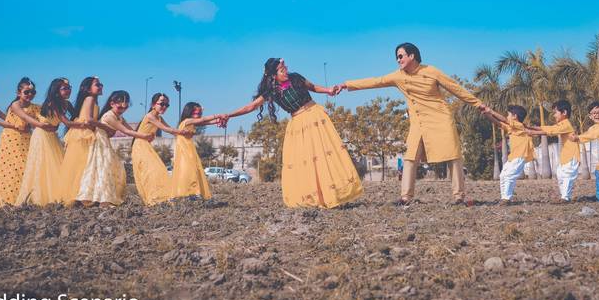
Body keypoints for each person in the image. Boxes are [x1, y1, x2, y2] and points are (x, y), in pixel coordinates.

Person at [334, 43, 488, 206]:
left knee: (453, 155)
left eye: (400, 56)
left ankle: (459, 196)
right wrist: (346, 84)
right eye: (397, 57)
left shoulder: (431, 71)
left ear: (412, 56)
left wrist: (478, 104)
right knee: (410, 156)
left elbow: (455, 88)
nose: (398, 60)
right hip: (418, 123)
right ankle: (405, 197)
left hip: (441, 119)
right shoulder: (398, 76)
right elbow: (375, 81)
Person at [218, 58, 362, 208]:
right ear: (273, 75)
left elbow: (313, 87)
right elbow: (251, 106)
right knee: (306, 161)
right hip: (298, 125)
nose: (285, 70)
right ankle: (315, 198)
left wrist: (328, 90)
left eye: (285, 67)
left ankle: (334, 194)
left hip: (315, 117)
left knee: (324, 156)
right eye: (281, 69)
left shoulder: (295, 78)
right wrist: (229, 115)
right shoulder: (271, 92)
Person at [76, 90, 152, 206]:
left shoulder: (118, 116)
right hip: (100, 143)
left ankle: (102, 197)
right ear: (112, 104)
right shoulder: (109, 116)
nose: (122, 110)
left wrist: (145, 132)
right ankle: (103, 198)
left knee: (108, 168)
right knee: (105, 168)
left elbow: (132, 130)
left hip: (105, 142)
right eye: (120, 107)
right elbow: (126, 131)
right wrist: (145, 136)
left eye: (124, 108)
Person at [0, 77, 58, 206]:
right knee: (12, 168)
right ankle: (7, 200)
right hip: (11, 138)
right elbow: (26, 118)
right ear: (18, 93)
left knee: (27, 166)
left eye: (32, 92)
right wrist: (41, 126)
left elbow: (44, 117)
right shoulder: (15, 105)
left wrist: (54, 122)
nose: (30, 95)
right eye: (26, 92)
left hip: (27, 138)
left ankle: (25, 197)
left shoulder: (36, 107)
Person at [16, 78, 70, 206]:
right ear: (56, 91)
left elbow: (60, 120)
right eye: (64, 88)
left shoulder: (63, 103)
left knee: (55, 164)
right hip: (42, 135)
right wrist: (42, 125)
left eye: (69, 88)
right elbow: (66, 122)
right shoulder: (54, 103)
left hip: (52, 135)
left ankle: (58, 192)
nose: (68, 90)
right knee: (43, 164)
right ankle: (43, 196)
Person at [132, 93, 185, 205]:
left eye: (167, 105)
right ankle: (153, 198)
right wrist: (181, 132)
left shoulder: (159, 117)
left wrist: (180, 136)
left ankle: (157, 197)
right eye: (162, 103)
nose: (164, 107)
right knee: (153, 170)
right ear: (153, 105)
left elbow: (170, 128)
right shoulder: (150, 116)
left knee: (157, 170)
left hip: (146, 145)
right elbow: (165, 129)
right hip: (140, 146)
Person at [59, 76, 105, 206]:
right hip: (82, 134)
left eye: (101, 84)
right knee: (81, 165)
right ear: (88, 89)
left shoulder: (93, 101)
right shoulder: (90, 99)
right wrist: (105, 127)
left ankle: (81, 195)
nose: (101, 86)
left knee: (83, 165)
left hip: (84, 133)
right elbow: (89, 120)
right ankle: (77, 195)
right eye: (97, 84)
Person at [480, 105, 535, 205]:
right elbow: (498, 123)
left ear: (515, 116)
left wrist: (491, 111)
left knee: (509, 176)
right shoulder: (512, 127)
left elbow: (504, 120)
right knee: (503, 175)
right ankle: (504, 197)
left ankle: (506, 198)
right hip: (513, 157)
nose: (507, 116)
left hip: (520, 156)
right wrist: (487, 115)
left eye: (508, 114)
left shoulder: (520, 125)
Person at [526, 100, 579, 202]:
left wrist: (531, 131)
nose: (554, 115)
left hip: (572, 156)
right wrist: (530, 127)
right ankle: (564, 196)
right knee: (560, 174)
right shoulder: (561, 124)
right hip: (565, 157)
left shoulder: (566, 124)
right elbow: (549, 128)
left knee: (567, 175)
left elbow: (551, 131)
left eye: (555, 112)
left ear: (564, 113)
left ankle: (565, 197)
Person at [173, 102, 218, 199]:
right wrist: (217, 116)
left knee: (191, 170)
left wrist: (217, 121)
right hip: (184, 147)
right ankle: (187, 193)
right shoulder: (187, 121)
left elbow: (204, 122)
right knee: (188, 170)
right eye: (196, 113)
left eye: (199, 113)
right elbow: (204, 120)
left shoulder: (192, 121)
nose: (198, 115)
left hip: (188, 147)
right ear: (189, 112)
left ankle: (191, 192)